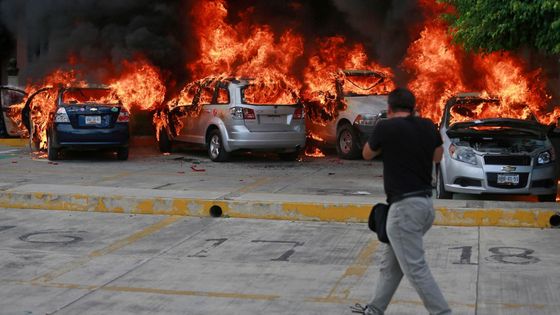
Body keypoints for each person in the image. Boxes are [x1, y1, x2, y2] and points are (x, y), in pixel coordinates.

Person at [356, 88, 451, 315]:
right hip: (425, 207)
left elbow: (367, 153)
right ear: (413, 108)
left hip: (403, 210)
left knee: (416, 268)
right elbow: (438, 156)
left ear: (389, 109)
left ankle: (443, 313)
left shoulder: (386, 127)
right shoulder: (427, 125)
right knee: (391, 265)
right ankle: (375, 309)